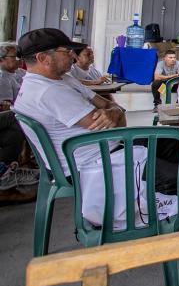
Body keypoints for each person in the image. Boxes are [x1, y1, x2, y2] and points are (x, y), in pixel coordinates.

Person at [12, 28, 126, 179]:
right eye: (67, 51)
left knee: (166, 145)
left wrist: (115, 112)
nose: (73, 55)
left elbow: (107, 105)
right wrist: (117, 112)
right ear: (43, 58)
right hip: (92, 166)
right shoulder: (49, 91)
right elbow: (117, 127)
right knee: (167, 171)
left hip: (103, 154)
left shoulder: (63, 79)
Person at [0, 42, 37, 199]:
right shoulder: (2, 77)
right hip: (11, 113)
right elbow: (5, 106)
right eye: (14, 57)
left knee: (12, 134)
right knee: (17, 116)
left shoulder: (18, 73)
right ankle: (7, 174)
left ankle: (7, 174)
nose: (18, 60)